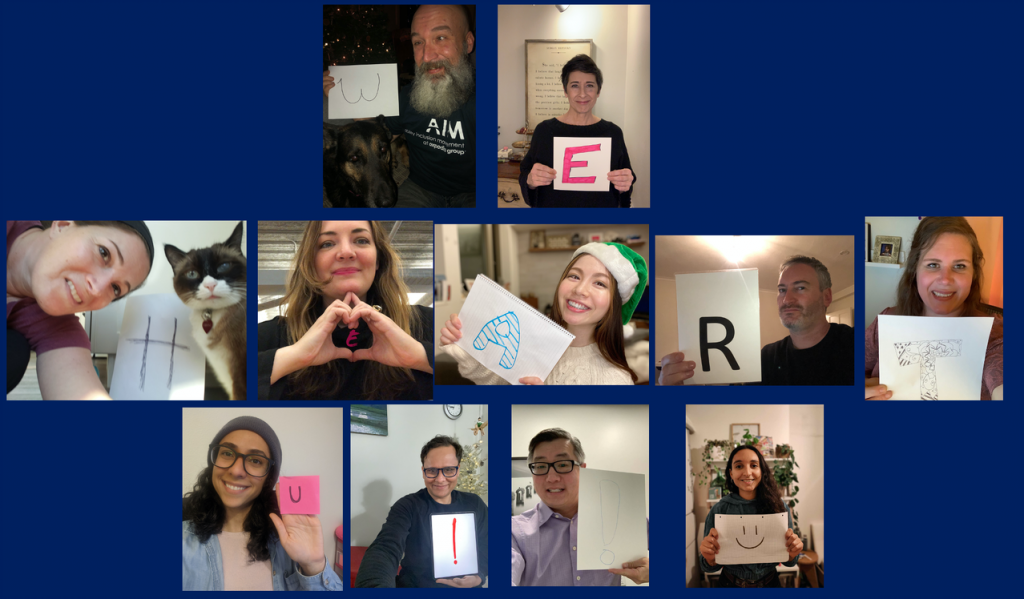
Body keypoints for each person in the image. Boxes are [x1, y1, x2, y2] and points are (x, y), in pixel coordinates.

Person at [257, 221, 433, 400]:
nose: (346, 253)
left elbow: (462, 375)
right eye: (327, 244)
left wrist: (420, 357)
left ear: (378, 259)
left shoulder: (428, 323)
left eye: (361, 240)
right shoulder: (267, 336)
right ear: (311, 264)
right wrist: (293, 357)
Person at [323, 5, 476, 208]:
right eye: (418, 42)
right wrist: (340, 94)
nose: (427, 55)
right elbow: (379, 134)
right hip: (420, 188)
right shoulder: (407, 96)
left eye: (440, 38)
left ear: (467, 42)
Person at [439, 242, 647, 385]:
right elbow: (498, 384)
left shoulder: (615, 380)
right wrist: (465, 351)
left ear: (614, 303)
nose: (580, 290)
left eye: (600, 283)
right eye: (574, 276)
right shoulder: (529, 338)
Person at [182, 416, 342, 591]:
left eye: (255, 460)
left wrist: (314, 566)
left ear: (268, 477)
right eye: (227, 453)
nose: (236, 471)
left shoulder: (288, 540)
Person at [7, 220, 153, 399]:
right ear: (62, 225)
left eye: (115, 289)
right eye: (103, 253)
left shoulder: (53, 325)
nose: (98, 289)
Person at [659, 255, 853, 386]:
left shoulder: (855, 346)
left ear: (826, 297)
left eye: (800, 288)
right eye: (782, 290)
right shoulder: (766, 357)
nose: (787, 299)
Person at [865, 217, 1003, 400]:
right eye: (933, 265)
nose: (945, 279)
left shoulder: (994, 336)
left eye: (959, 266)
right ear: (915, 270)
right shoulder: (885, 321)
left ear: (974, 275)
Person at [511, 428, 649, 586]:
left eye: (562, 464)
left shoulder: (622, 517)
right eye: (541, 466)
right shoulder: (515, 532)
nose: (552, 478)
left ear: (582, 469)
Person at [356, 435, 488, 588]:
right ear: (423, 471)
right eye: (432, 471)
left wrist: (480, 575)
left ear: (458, 470)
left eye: (449, 470)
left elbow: (490, 543)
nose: (440, 479)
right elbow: (386, 547)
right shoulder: (407, 506)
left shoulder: (475, 504)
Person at [519, 54, 635, 208]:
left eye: (590, 85)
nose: (582, 93)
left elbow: (624, 187)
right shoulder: (544, 131)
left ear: (598, 91)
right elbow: (526, 174)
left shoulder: (613, 133)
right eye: (574, 85)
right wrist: (530, 181)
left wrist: (626, 183)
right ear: (565, 90)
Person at [699, 445, 803, 588]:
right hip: (730, 584)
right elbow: (708, 566)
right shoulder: (719, 509)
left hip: (770, 584)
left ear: (761, 470)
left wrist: (793, 551)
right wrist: (709, 558)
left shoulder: (779, 507)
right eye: (739, 466)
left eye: (754, 465)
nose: (747, 472)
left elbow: (790, 561)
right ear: (731, 473)